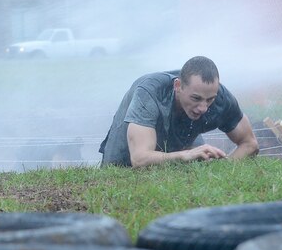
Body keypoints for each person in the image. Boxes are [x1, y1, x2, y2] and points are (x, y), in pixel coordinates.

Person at [99, 56, 259, 167]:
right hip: (125, 160)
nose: (203, 108)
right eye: (196, 98)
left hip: (177, 159)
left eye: (209, 100)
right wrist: (186, 155)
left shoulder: (222, 98)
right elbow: (139, 159)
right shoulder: (149, 92)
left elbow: (250, 144)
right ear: (178, 87)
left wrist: (224, 167)